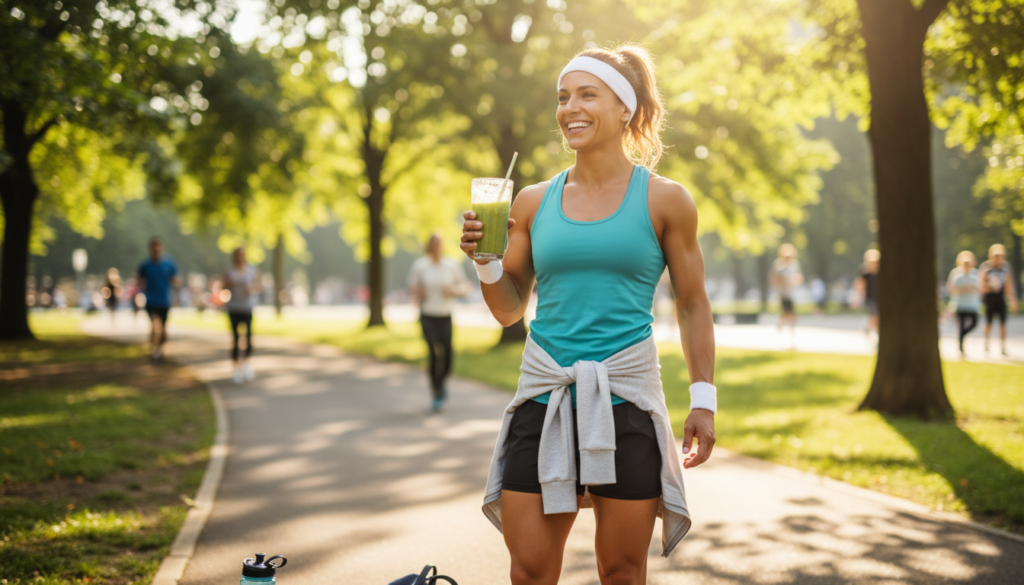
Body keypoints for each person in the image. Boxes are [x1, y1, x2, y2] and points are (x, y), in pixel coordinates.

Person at [461, 44, 715, 584]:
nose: (570, 108)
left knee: (620, 572)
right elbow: (508, 310)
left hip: (626, 403)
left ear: (624, 108)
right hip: (544, 399)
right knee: (529, 572)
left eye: (587, 95)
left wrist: (704, 400)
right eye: (562, 97)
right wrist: (486, 263)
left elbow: (693, 304)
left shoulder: (666, 200)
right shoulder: (532, 201)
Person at [408, 233, 470, 411]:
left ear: (442, 246)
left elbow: (465, 287)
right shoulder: (420, 266)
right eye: (433, 244)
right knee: (433, 354)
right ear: (429, 246)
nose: (436, 247)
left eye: (438, 243)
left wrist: (453, 291)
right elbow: (412, 287)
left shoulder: (451, 265)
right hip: (427, 315)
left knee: (448, 355)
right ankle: (436, 392)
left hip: (445, 316)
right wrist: (419, 292)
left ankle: (441, 381)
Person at [137, 237, 180, 362]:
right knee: (156, 326)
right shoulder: (145, 265)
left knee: (163, 331)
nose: (156, 250)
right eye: (153, 248)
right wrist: (140, 292)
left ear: (161, 249)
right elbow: (139, 281)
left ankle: (159, 350)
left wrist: (175, 283)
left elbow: (176, 280)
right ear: (150, 249)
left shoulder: (169, 264)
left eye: (158, 248)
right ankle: (154, 352)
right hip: (151, 301)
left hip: (164, 302)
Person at [223, 247, 260, 383]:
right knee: (236, 338)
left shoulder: (252, 270)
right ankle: (235, 368)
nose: (240, 257)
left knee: (249, 337)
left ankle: (245, 364)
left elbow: (259, 286)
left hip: (247, 308)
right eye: (238, 255)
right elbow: (222, 286)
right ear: (235, 256)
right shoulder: (230, 270)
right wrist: (229, 283)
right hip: (233, 308)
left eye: (242, 254)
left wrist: (251, 289)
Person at [978, 244, 1018, 355]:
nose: (998, 258)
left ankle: (1003, 346)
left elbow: (1009, 285)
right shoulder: (986, 267)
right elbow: (981, 285)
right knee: (988, 322)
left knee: (1003, 323)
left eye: (1000, 256)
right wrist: (989, 286)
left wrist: (1012, 299)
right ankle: (986, 344)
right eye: (996, 256)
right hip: (989, 297)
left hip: (1000, 298)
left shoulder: (1006, 268)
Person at [947, 250, 981, 357]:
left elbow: (980, 287)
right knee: (961, 325)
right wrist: (963, 288)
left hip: (972, 304)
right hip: (960, 304)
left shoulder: (975, 273)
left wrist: (973, 288)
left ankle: (962, 335)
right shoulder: (955, 273)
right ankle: (961, 347)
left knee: (974, 323)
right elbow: (950, 288)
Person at [769, 243, 803, 345]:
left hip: (792, 293)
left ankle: (786, 328)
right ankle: (784, 327)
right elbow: (773, 279)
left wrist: (794, 281)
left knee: (789, 313)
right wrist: (783, 281)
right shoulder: (778, 265)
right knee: (788, 312)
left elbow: (799, 277)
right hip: (783, 293)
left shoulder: (795, 265)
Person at [854, 249, 881, 338]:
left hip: (879, 297)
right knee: (874, 314)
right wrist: (857, 298)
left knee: (875, 316)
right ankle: (877, 332)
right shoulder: (864, 272)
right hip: (870, 298)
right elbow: (860, 284)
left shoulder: (880, 272)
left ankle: (867, 328)